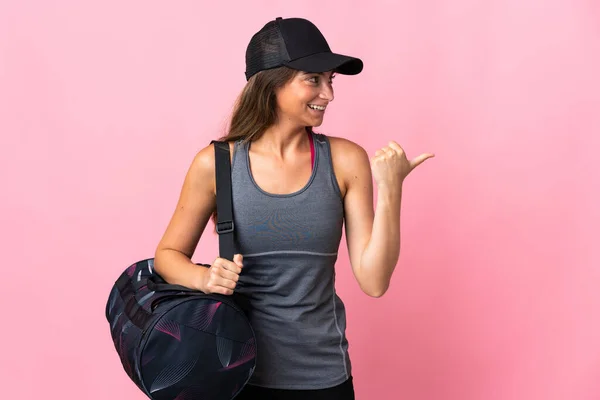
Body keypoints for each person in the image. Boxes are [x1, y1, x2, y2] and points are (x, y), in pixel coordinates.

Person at [154, 16, 434, 400]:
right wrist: (204, 279)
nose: (329, 94)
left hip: (325, 379)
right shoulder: (216, 164)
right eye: (313, 79)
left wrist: (391, 189)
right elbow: (167, 256)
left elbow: (374, 281)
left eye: (330, 80)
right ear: (272, 83)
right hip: (237, 378)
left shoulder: (344, 160)